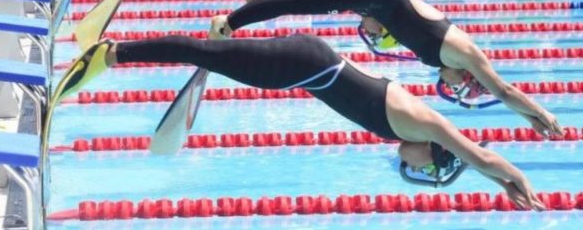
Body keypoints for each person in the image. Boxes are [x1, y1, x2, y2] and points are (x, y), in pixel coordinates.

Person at [62, 33, 546, 211]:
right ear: (437, 154)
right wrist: (515, 181)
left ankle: (134, 51)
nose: (414, 168)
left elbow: (476, 155)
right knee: (205, 53)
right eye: (427, 169)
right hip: (302, 66)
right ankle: (117, 53)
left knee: (211, 54)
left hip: (304, 67)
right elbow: (479, 154)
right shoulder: (430, 127)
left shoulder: (420, 126)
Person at [208, 0, 562, 141]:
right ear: (469, 76)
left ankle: (237, 5)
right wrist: (538, 115)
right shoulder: (466, 53)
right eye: (460, 88)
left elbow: (405, 10)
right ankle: (227, 24)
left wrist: (370, 16)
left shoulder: (445, 53)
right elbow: (504, 89)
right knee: (298, 1)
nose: (451, 88)